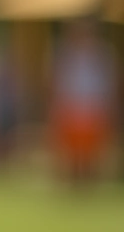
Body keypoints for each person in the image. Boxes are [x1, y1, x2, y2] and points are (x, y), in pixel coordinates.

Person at [50, 18, 117, 184]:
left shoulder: (103, 55)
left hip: (93, 107)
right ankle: (74, 181)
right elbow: (57, 84)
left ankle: (89, 181)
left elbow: (109, 84)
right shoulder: (65, 55)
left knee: (91, 151)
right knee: (71, 151)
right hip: (71, 107)